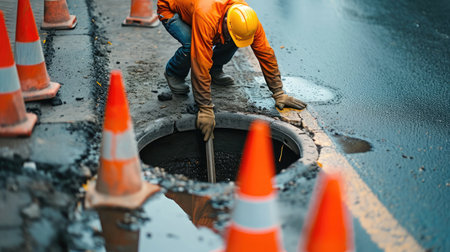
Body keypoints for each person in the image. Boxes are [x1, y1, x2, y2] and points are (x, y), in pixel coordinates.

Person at [157, 0, 307, 141]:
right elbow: (200, 62)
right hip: (170, 9)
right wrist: (205, 107)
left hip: (200, 13)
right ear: (225, 22)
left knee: (233, 39)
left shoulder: (247, 20)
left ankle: (215, 69)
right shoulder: (206, 16)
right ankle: (174, 73)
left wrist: (278, 92)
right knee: (191, 46)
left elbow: (266, 54)